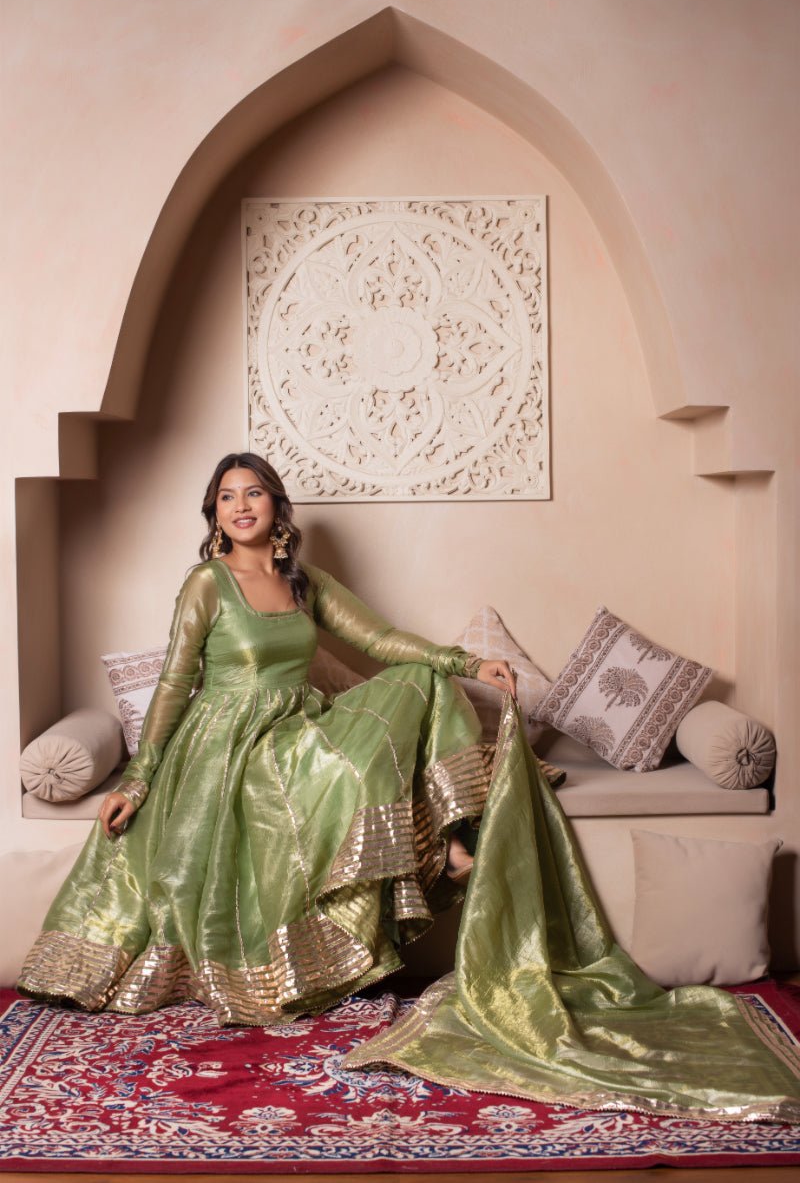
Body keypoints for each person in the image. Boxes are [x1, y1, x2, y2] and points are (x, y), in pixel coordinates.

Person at [18, 453, 799, 1123]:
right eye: (227, 496)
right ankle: (413, 856)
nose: (242, 505)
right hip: (226, 746)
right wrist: (141, 777)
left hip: (295, 726)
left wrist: (464, 663)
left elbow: (381, 640)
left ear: (277, 508)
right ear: (214, 515)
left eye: (254, 492)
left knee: (418, 684)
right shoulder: (206, 583)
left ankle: (454, 842)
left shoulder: (303, 581)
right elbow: (174, 681)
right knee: (336, 766)